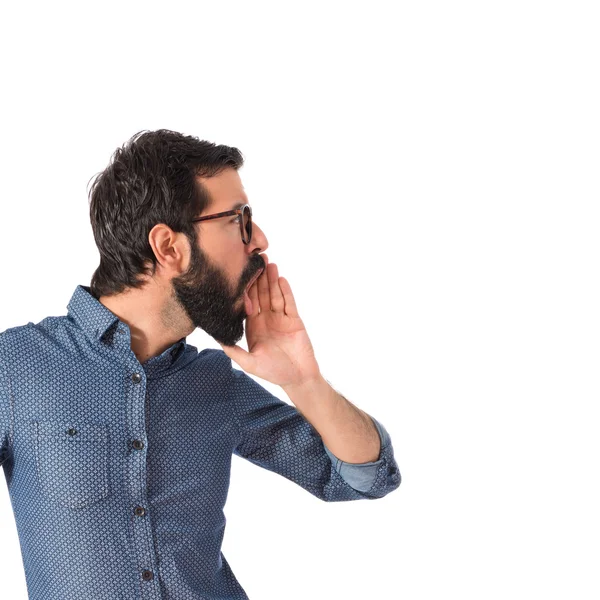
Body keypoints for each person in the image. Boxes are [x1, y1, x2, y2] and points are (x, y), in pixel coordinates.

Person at [0, 129, 401, 599]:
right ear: (169, 247)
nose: (260, 240)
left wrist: (304, 381)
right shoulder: (16, 366)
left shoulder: (215, 383)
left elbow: (363, 477)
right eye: (239, 220)